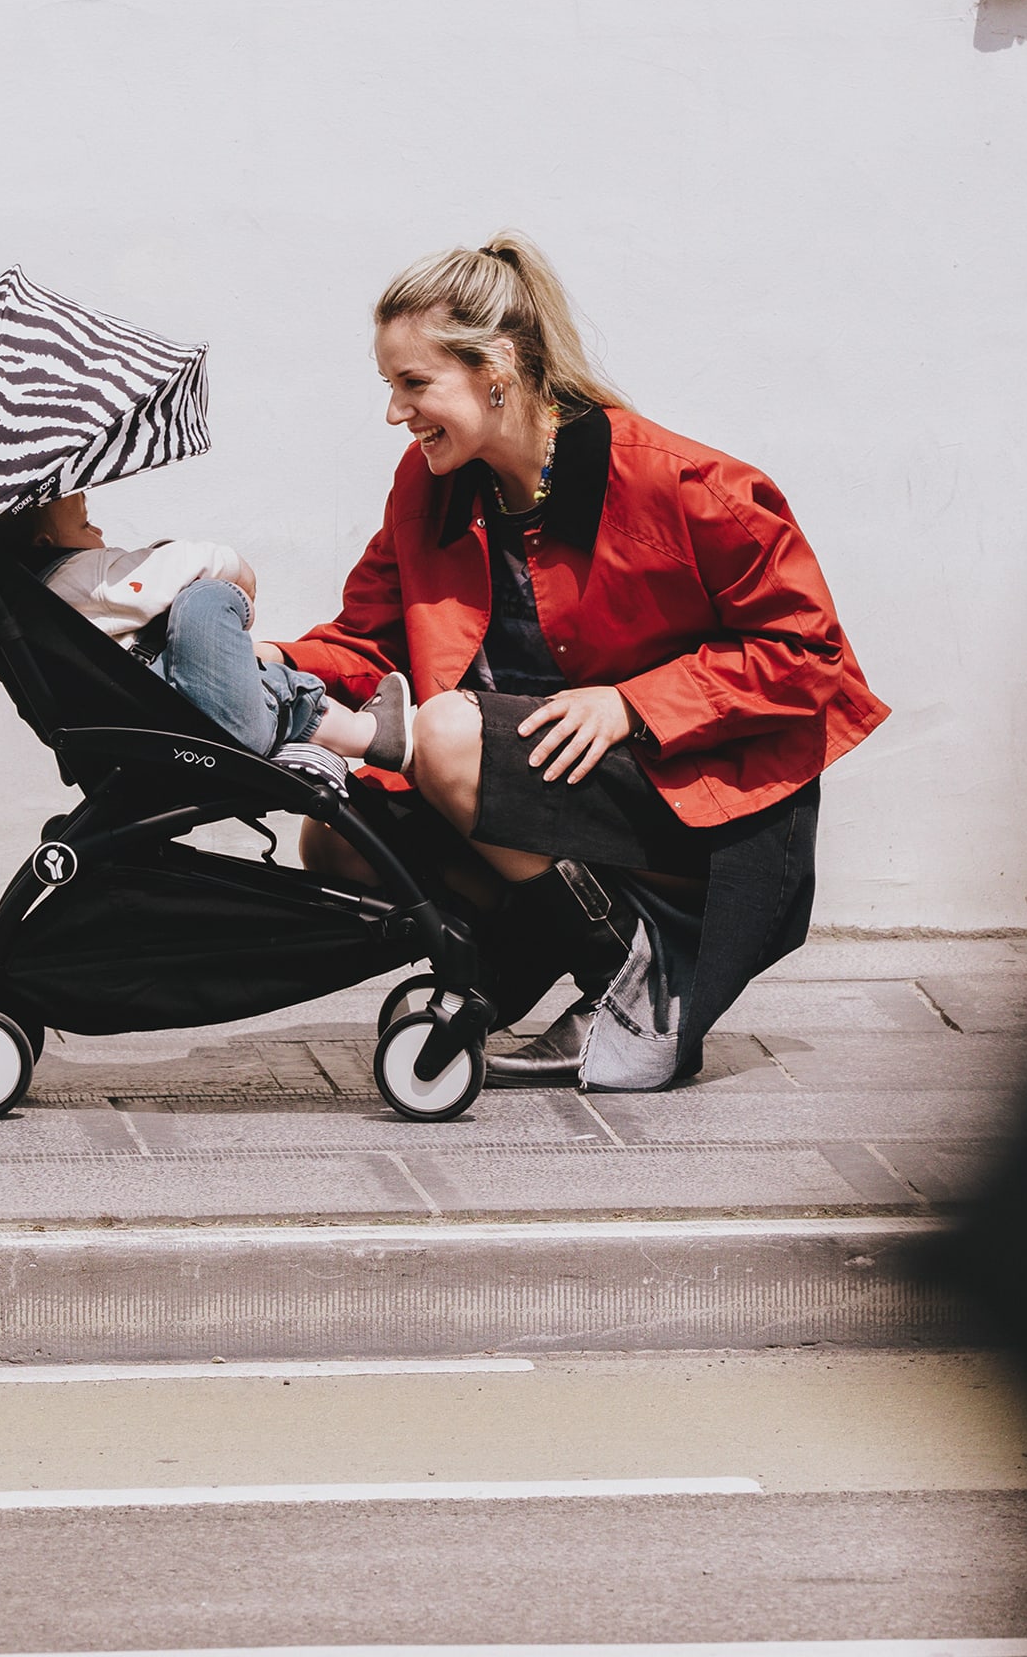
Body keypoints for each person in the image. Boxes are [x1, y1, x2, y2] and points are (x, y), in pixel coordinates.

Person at [254, 232, 889, 1089]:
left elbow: (807, 653)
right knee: (339, 838)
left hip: (699, 805)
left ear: (498, 368)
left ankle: (636, 978)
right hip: (543, 794)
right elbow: (367, 641)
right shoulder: (427, 486)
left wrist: (632, 704)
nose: (395, 413)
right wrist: (259, 662)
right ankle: (549, 966)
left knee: (444, 734)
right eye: (389, 386)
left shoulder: (684, 484)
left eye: (414, 384)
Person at [0, 491, 415, 768]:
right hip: (203, 721)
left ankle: (367, 735)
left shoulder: (30, 608)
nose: (100, 534)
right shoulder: (80, 576)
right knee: (203, 597)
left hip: (165, 722)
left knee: (266, 680)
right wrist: (233, 573)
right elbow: (162, 573)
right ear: (46, 543)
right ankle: (355, 733)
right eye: (87, 525)